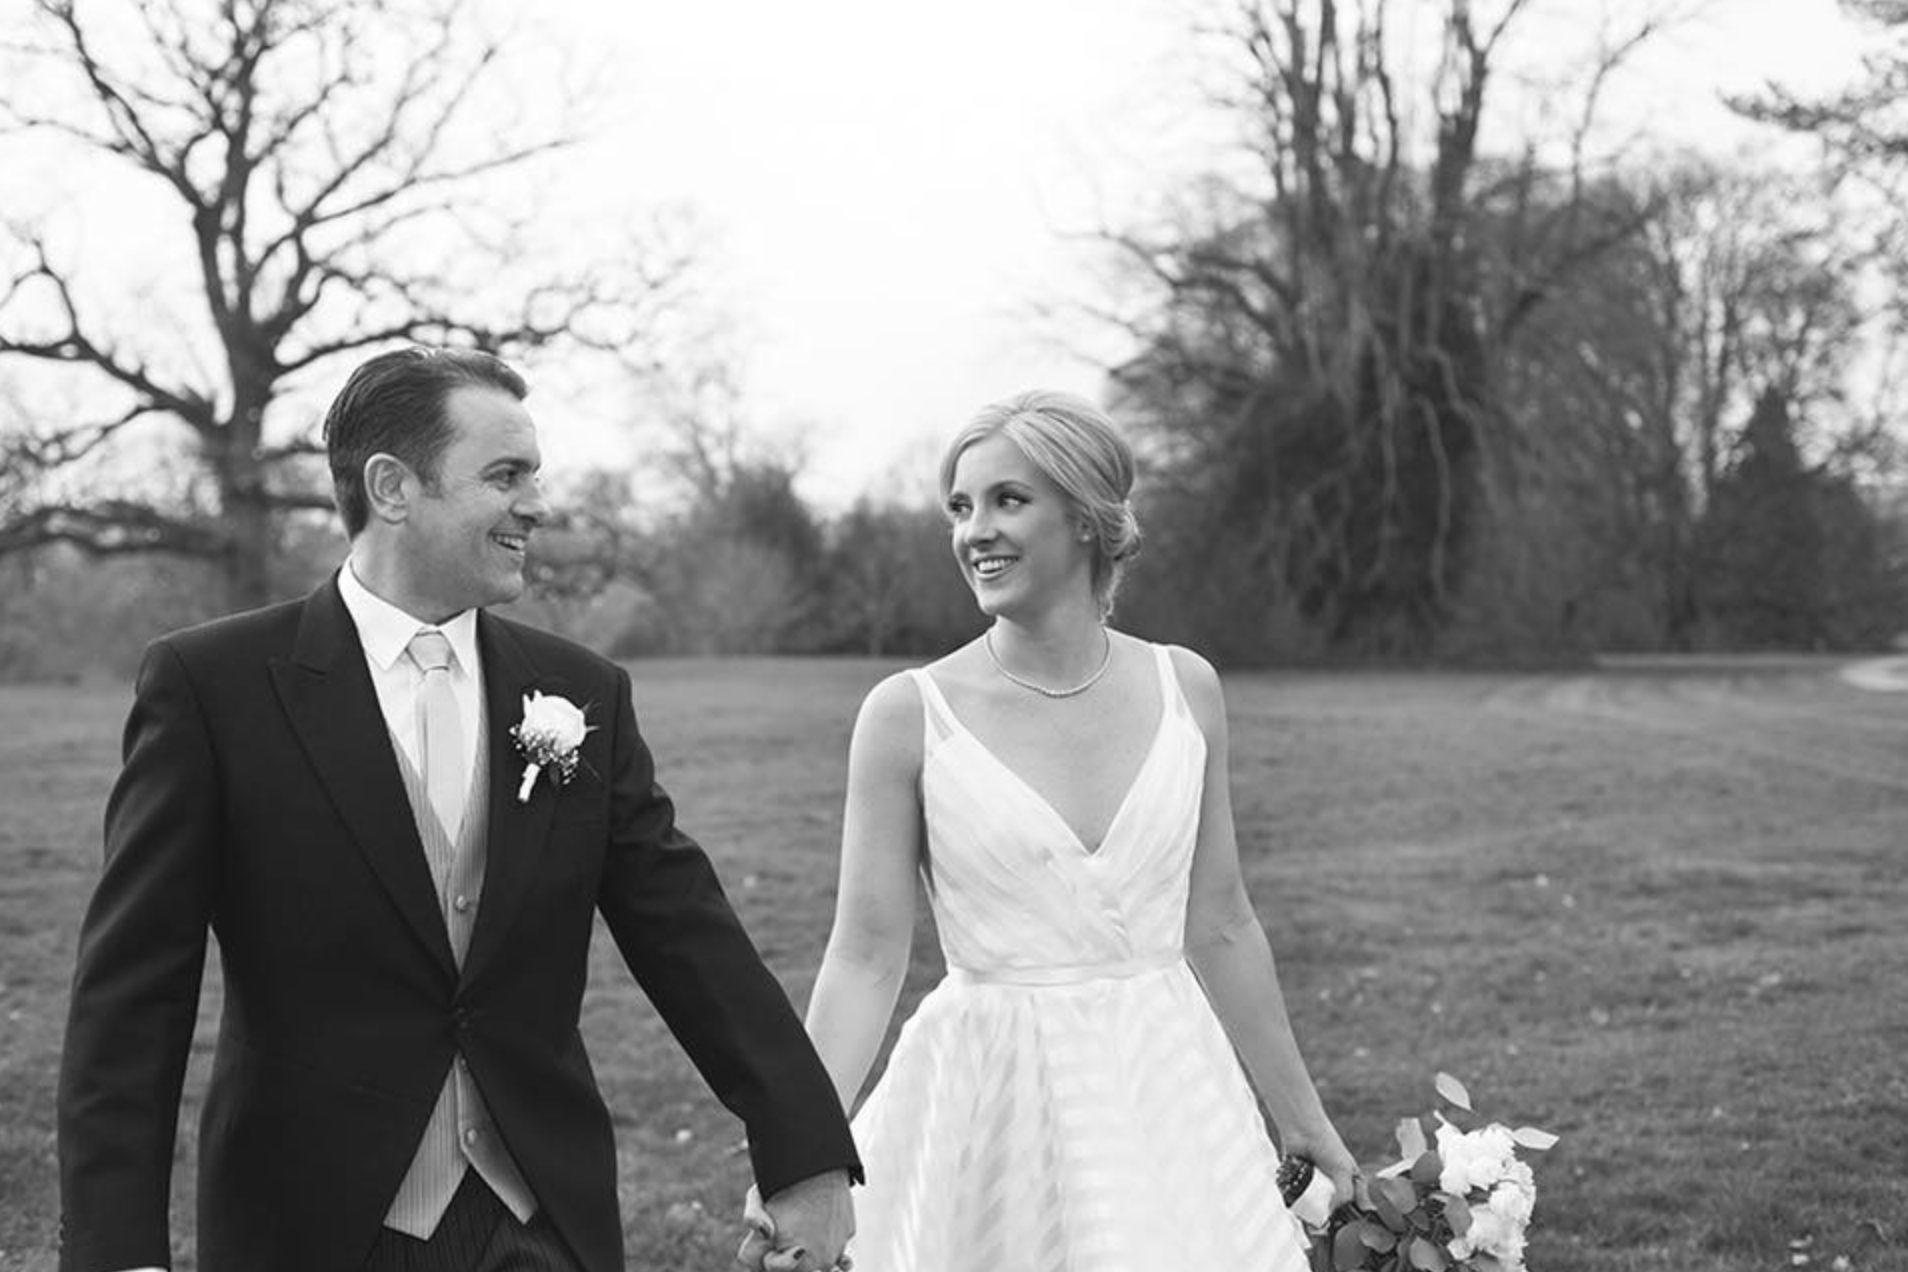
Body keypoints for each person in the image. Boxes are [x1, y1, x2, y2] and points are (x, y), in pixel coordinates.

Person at [56, 347, 858, 1272]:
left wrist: (806, 1151)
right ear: (393, 488)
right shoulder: (213, 686)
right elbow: (131, 1000)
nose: (537, 504)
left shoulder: (578, 692)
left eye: (535, 476)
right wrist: (117, 1251)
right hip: (311, 1226)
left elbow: (690, 935)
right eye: (505, 475)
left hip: (542, 1220)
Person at [797, 390, 1355, 1269]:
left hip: (1166, 1089)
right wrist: (801, 1157)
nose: (974, 530)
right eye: (960, 506)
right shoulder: (908, 715)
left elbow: (1221, 921)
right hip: (992, 1099)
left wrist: (1302, 1116)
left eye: (1006, 500)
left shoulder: (1187, 690)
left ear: (1089, 519)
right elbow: (864, 959)